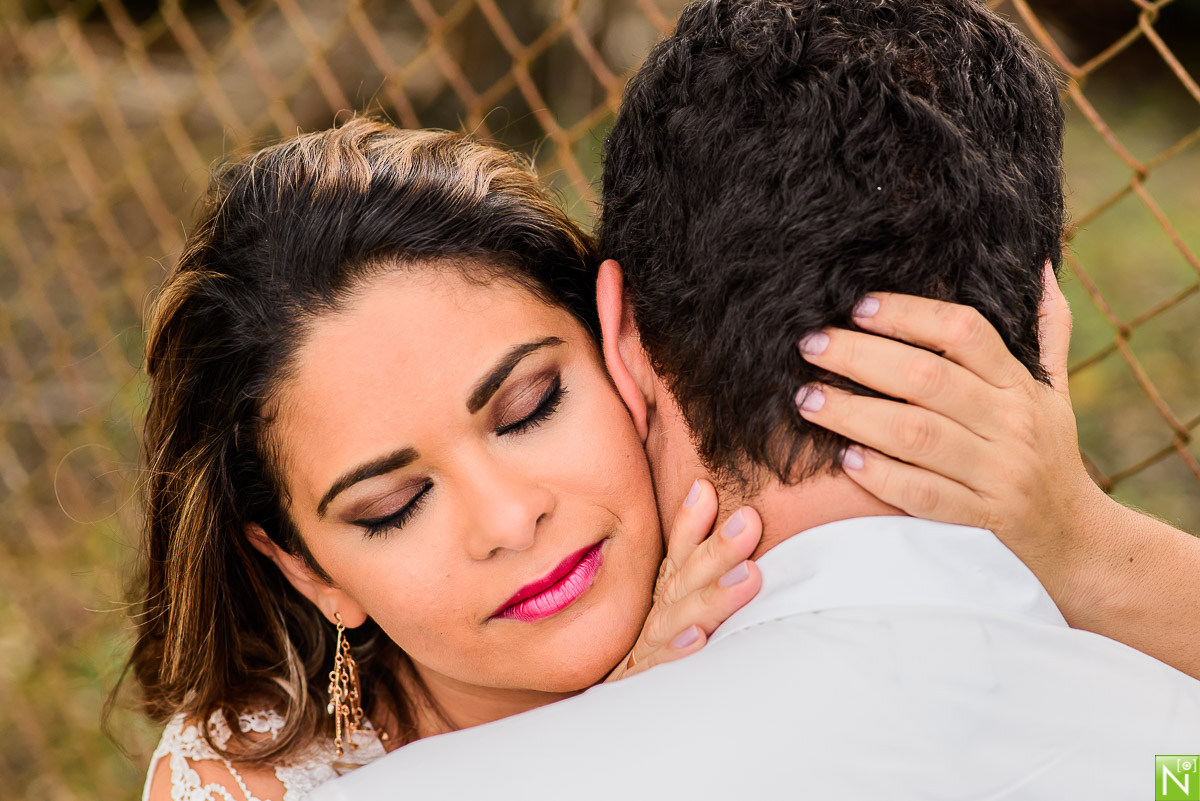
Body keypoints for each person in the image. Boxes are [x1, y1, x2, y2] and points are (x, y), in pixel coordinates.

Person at [307, 1, 1200, 799]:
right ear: (1043, 316)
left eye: (531, 404)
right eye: (393, 502)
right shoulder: (1172, 749)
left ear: (617, 335)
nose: (508, 519)